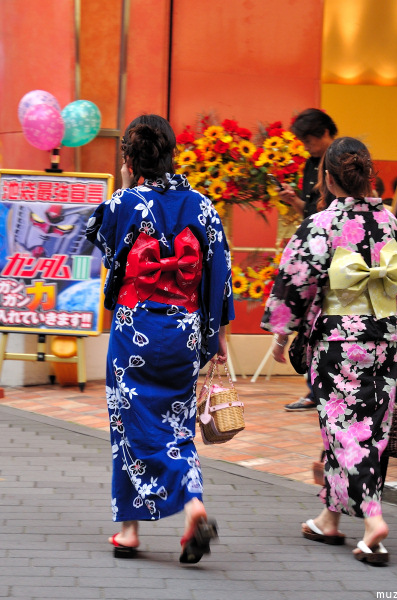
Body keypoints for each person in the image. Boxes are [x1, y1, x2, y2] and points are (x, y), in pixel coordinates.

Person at [261, 137, 397, 564]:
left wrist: (282, 335)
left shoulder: (322, 224)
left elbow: (296, 278)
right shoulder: (391, 222)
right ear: (368, 175)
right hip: (386, 341)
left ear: (327, 176)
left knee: (344, 431)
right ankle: (329, 519)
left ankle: (374, 520)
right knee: (370, 430)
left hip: (340, 343)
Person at [86, 114, 235, 564]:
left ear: (130, 160)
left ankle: (176, 512)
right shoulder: (202, 207)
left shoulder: (122, 204)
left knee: (130, 426)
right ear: (172, 153)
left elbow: (106, 251)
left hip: (135, 328)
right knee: (177, 424)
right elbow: (219, 278)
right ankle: (150, 522)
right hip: (185, 329)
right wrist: (218, 336)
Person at [278, 108, 338, 412]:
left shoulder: (342, 159)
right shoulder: (309, 164)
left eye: (310, 139)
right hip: (316, 247)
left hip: (338, 251)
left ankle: (327, 389)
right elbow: (311, 211)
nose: (307, 146)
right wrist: (295, 199)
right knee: (311, 322)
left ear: (326, 133)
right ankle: (315, 390)